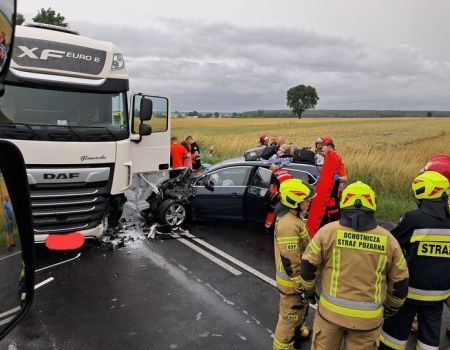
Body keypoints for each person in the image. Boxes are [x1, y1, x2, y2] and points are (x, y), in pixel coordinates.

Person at [297, 181, 409, 350]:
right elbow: (400, 282)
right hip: (367, 321)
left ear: (344, 204)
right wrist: (391, 307)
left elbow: (308, 266)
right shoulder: (389, 241)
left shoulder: (327, 232)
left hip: (330, 316)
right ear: (372, 206)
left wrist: (309, 290)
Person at [379, 171, 450, 350]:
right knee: (429, 338)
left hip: (409, 292)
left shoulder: (414, 218)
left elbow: (392, 244)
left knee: (393, 336)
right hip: (439, 295)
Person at [273, 178, 315, 350]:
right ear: (293, 201)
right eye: (305, 200)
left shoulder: (293, 217)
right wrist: (300, 283)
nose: (308, 203)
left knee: (300, 310)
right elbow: (291, 260)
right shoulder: (288, 225)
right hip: (292, 283)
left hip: (297, 281)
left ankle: (298, 330)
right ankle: (283, 346)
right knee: (289, 317)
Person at [320, 137, 348, 226]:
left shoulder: (337, 159)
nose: (322, 151)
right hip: (326, 192)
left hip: (333, 192)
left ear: (329, 147)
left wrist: (337, 178)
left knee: (333, 215)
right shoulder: (326, 158)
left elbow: (345, 178)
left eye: (323, 146)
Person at [264, 164, 293, 233]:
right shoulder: (287, 172)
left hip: (279, 195)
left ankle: (267, 228)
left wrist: (270, 197)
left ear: (272, 170)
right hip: (290, 195)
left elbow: (271, 190)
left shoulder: (273, 175)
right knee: (286, 212)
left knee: (272, 211)